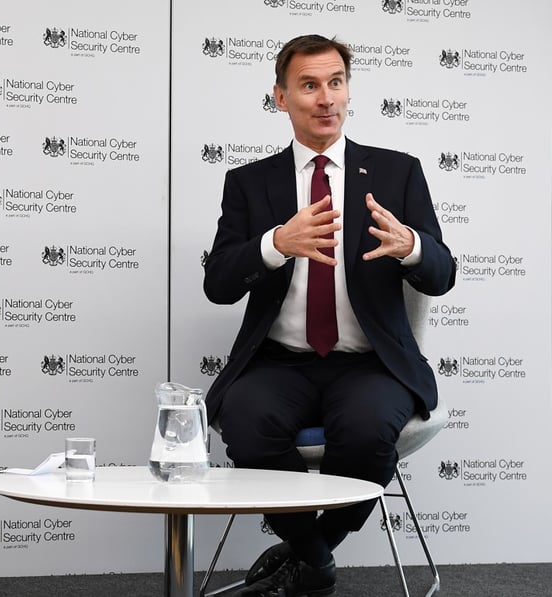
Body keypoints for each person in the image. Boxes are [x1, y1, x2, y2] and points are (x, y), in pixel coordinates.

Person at [202, 34, 454, 596]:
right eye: (309, 85)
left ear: (348, 91)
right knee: (245, 425)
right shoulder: (248, 183)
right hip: (278, 363)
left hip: (370, 364)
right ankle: (314, 562)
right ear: (280, 98)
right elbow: (218, 283)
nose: (326, 99)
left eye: (335, 83)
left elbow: (441, 274)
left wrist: (410, 244)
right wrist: (275, 243)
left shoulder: (398, 174)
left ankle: (307, 553)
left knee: (366, 433)